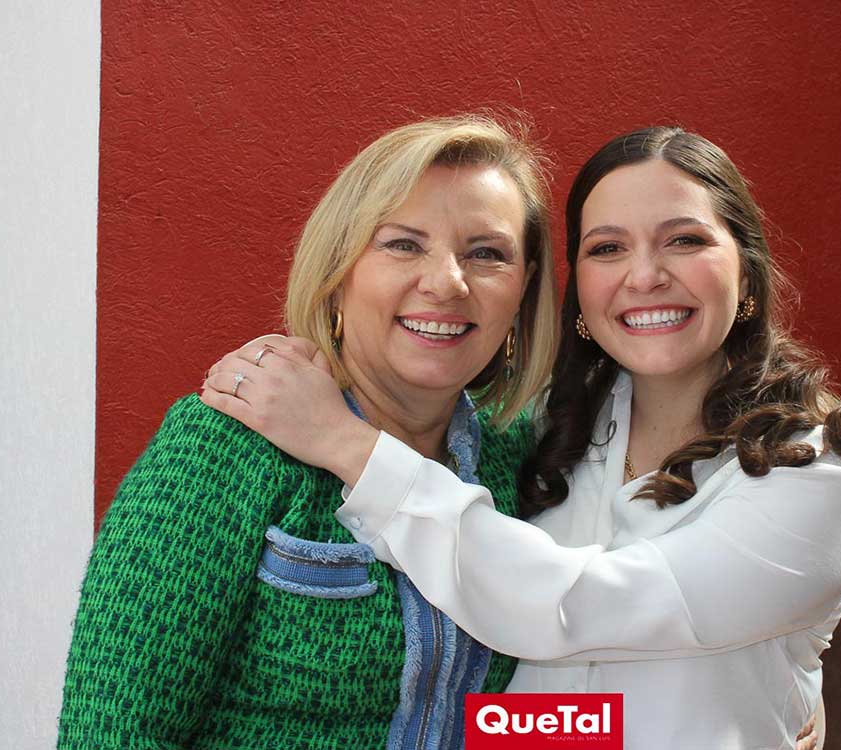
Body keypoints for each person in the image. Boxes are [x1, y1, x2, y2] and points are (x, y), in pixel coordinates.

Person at [203, 127, 841, 749]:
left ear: (747, 271)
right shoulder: (541, 435)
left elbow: (576, 608)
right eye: (607, 248)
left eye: (685, 240)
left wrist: (345, 444)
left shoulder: (817, 473)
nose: (645, 276)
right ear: (577, 288)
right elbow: (562, 703)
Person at [56, 114, 561, 749]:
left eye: (486, 253)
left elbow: (537, 712)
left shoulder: (519, 460)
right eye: (403, 244)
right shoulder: (229, 443)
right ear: (339, 269)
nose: (446, 282)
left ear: (523, 290)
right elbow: (110, 734)